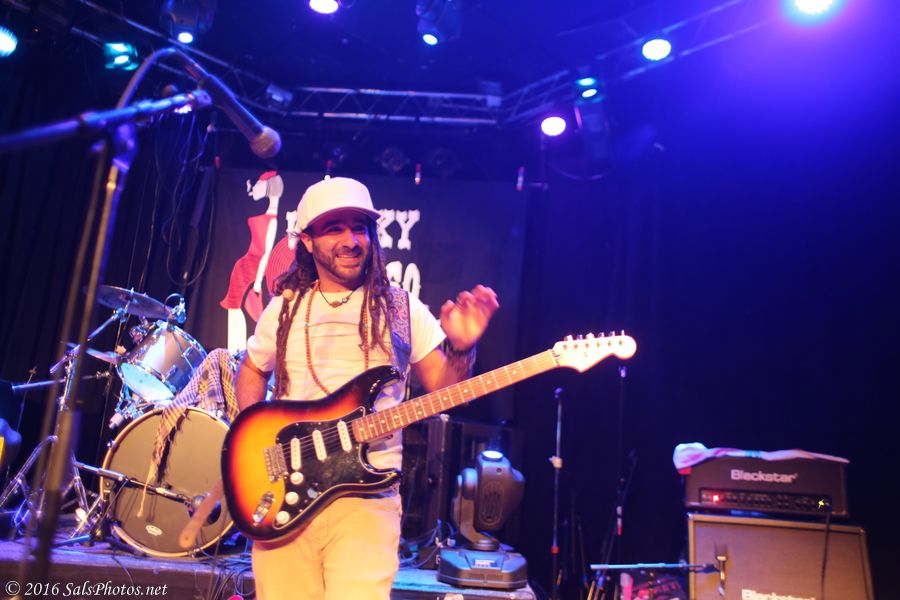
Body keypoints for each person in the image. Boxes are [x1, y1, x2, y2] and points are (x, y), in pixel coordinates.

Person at [234, 176, 499, 600]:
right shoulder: (285, 307)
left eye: (359, 227)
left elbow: (443, 387)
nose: (351, 240)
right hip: (286, 494)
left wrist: (462, 349)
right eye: (334, 228)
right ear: (307, 241)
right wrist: (253, 437)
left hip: (366, 500)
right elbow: (251, 369)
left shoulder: (400, 307)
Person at [220, 170, 284, 352]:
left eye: (260, 184)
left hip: (252, 268)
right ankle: (235, 350)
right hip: (244, 266)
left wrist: (257, 283)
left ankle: (237, 351)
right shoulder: (267, 215)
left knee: (237, 307)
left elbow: (266, 253)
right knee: (234, 306)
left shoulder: (272, 221)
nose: (255, 188)